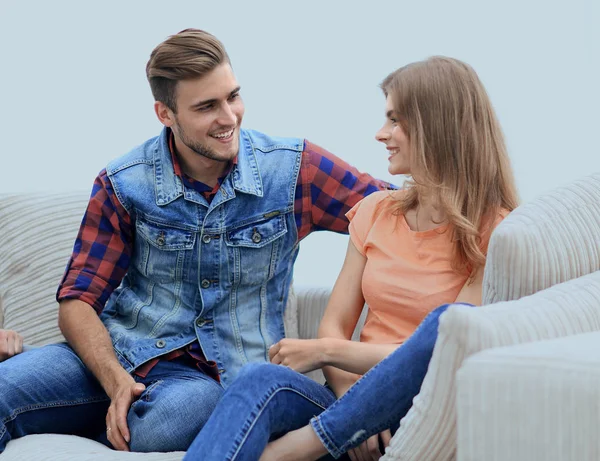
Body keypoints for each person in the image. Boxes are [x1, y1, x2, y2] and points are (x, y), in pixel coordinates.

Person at [0, 29, 394, 454]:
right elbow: (77, 300)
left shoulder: (295, 171)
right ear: (165, 113)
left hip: (211, 381)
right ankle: (96, 416)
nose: (229, 117)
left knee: (172, 421)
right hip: (113, 357)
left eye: (233, 96)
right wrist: (115, 382)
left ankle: (88, 426)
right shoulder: (124, 182)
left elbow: (394, 212)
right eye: (207, 106)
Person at [184, 56, 519, 461]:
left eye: (395, 120)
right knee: (259, 379)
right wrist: (353, 407)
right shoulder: (377, 211)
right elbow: (335, 322)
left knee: (445, 325)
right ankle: (331, 433)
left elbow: (442, 350)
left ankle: (297, 449)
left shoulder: (495, 230)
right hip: (348, 401)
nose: (382, 134)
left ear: (437, 125)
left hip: (422, 409)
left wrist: (326, 351)